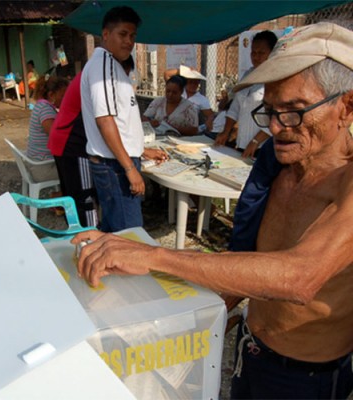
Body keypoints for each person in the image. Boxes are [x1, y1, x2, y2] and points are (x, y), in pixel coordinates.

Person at [73, 21, 353, 400]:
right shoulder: (277, 165)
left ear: (346, 107)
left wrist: (154, 255)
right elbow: (252, 255)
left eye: (294, 111)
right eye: (270, 110)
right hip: (249, 350)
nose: (276, 127)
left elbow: (299, 277)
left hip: (307, 378)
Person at [81, 6, 166, 233]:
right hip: (115, 166)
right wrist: (130, 168)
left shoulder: (111, 65)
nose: (129, 41)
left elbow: (120, 122)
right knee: (130, 236)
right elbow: (105, 121)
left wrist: (141, 150)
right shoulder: (104, 65)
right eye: (122, 34)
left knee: (115, 232)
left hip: (115, 162)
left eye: (133, 36)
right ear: (106, 34)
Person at [215, 30, 278, 158]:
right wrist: (225, 132)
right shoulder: (248, 75)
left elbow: (275, 117)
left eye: (261, 53)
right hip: (243, 144)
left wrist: (255, 142)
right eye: (253, 52)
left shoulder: (276, 79)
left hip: (263, 146)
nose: (256, 57)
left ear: (272, 53)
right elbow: (235, 107)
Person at [48, 72, 98, 228]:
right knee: (84, 197)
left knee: (72, 195)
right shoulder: (96, 76)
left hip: (63, 141)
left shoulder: (88, 73)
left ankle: (76, 231)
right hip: (73, 144)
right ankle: (89, 236)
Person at [26, 75, 69, 182]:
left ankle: (60, 193)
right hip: (43, 169)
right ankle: (60, 194)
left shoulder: (40, 105)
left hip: (36, 164)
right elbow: (56, 136)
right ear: (51, 95)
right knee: (79, 170)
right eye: (63, 96)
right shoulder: (46, 110)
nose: (66, 99)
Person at [165, 65, 215, 132]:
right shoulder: (178, 91)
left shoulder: (202, 99)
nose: (193, 85)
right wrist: (184, 71)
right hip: (169, 122)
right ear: (186, 83)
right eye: (190, 82)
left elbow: (210, 114)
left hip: (187, 128)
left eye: (196, 83)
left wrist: (209, 121)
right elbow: (167, 74)